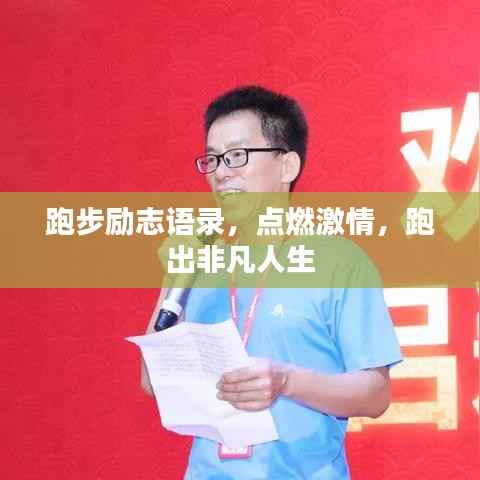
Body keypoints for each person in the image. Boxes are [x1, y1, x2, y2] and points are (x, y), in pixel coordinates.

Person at [140, 85, 403, 479]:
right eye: (212, 159)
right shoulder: (198, 260)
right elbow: (152, 382)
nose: (221, 173)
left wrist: (287, 381)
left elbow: (375, 394)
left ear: (287, 166)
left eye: (237, 155)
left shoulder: (339, 263)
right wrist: (175, 276)